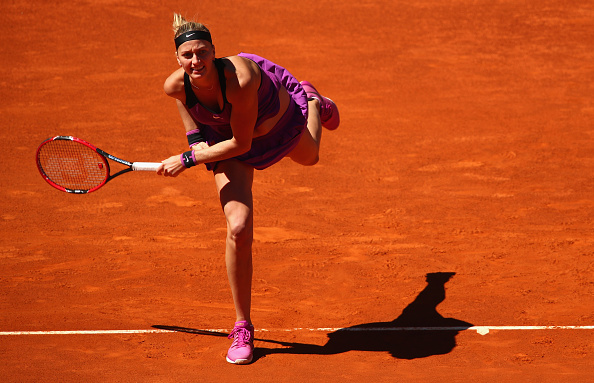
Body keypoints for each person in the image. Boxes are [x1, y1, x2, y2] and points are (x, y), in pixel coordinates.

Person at [156, 13, 340, 365]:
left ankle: (314, 101)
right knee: (238, 228)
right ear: (177, 60)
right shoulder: (175, 85)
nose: (197, 61)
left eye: (203, 52)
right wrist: (195, 141)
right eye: (188, 56)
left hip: (272, 126)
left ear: (214, 52)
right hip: (225, 138)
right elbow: (184, 102)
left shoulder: (240, 79)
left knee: (311, 156)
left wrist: (188, 159)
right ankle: (243, 325)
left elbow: (241, 143)